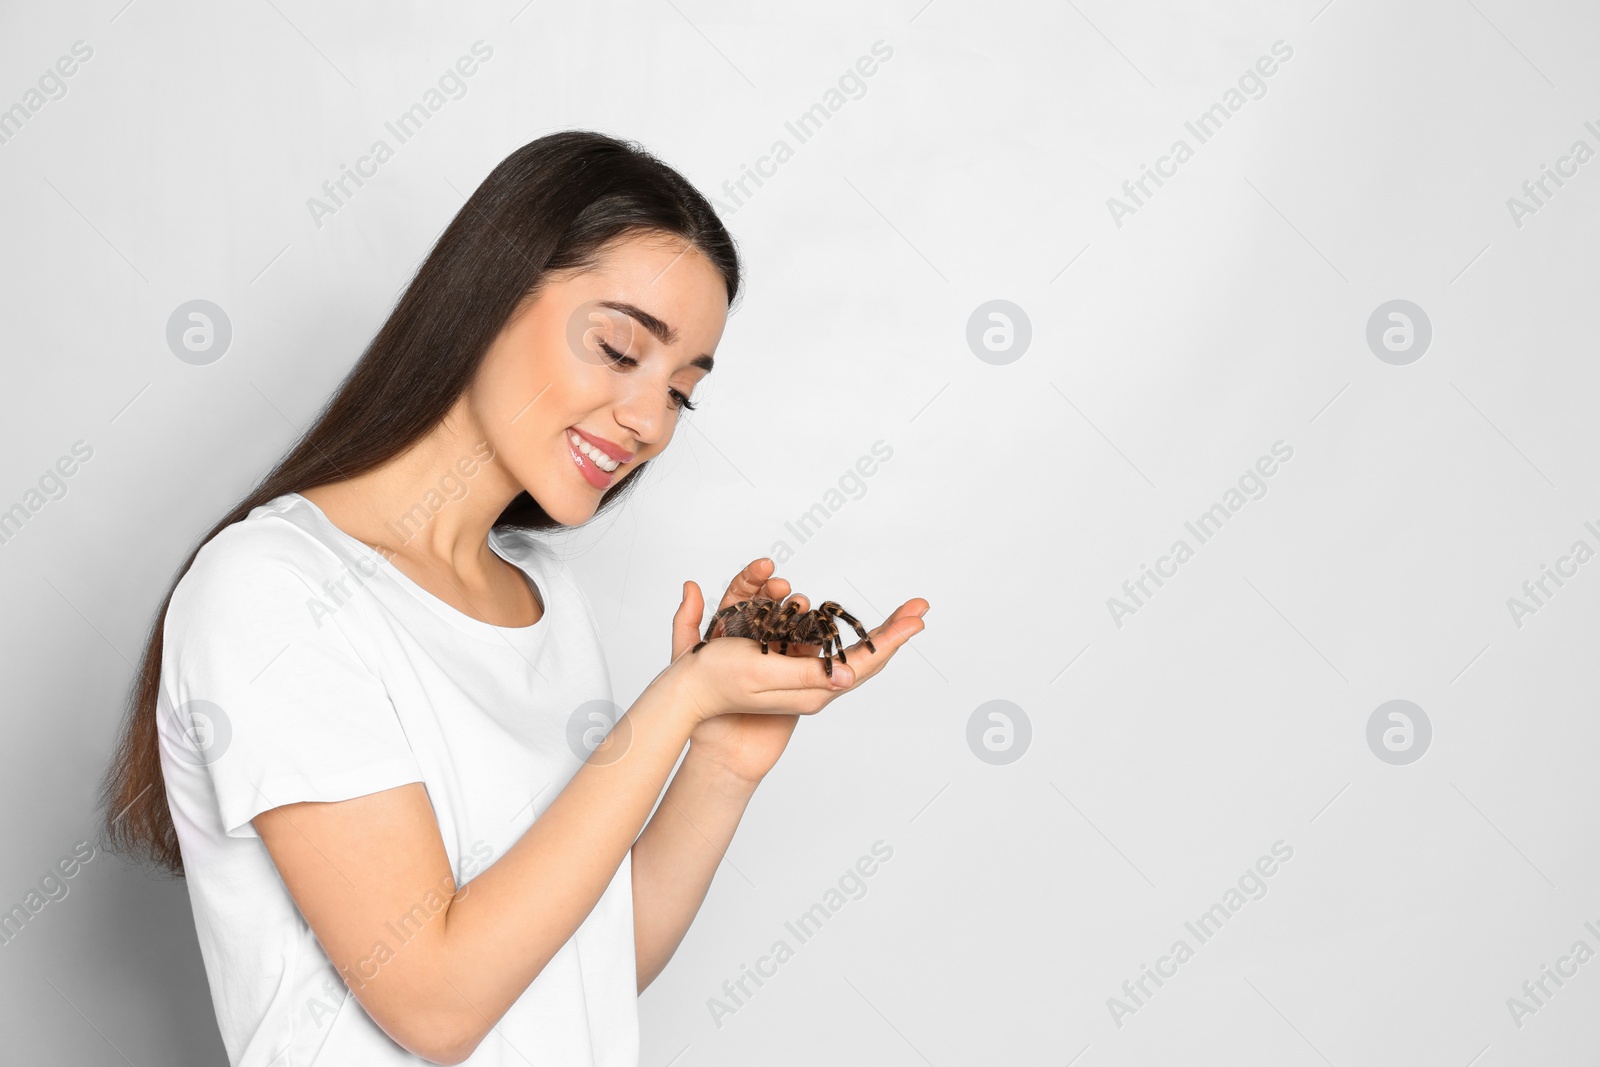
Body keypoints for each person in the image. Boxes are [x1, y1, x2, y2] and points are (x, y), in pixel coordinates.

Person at [96, 130, 928, 1066]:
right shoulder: (273, 592)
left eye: (682, 393)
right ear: (489, 294)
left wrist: (716, 761)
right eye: (620, 350)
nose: (648, 422)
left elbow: (583, 968)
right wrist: (672, 702)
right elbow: (437, 1004)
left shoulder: (545, 600)